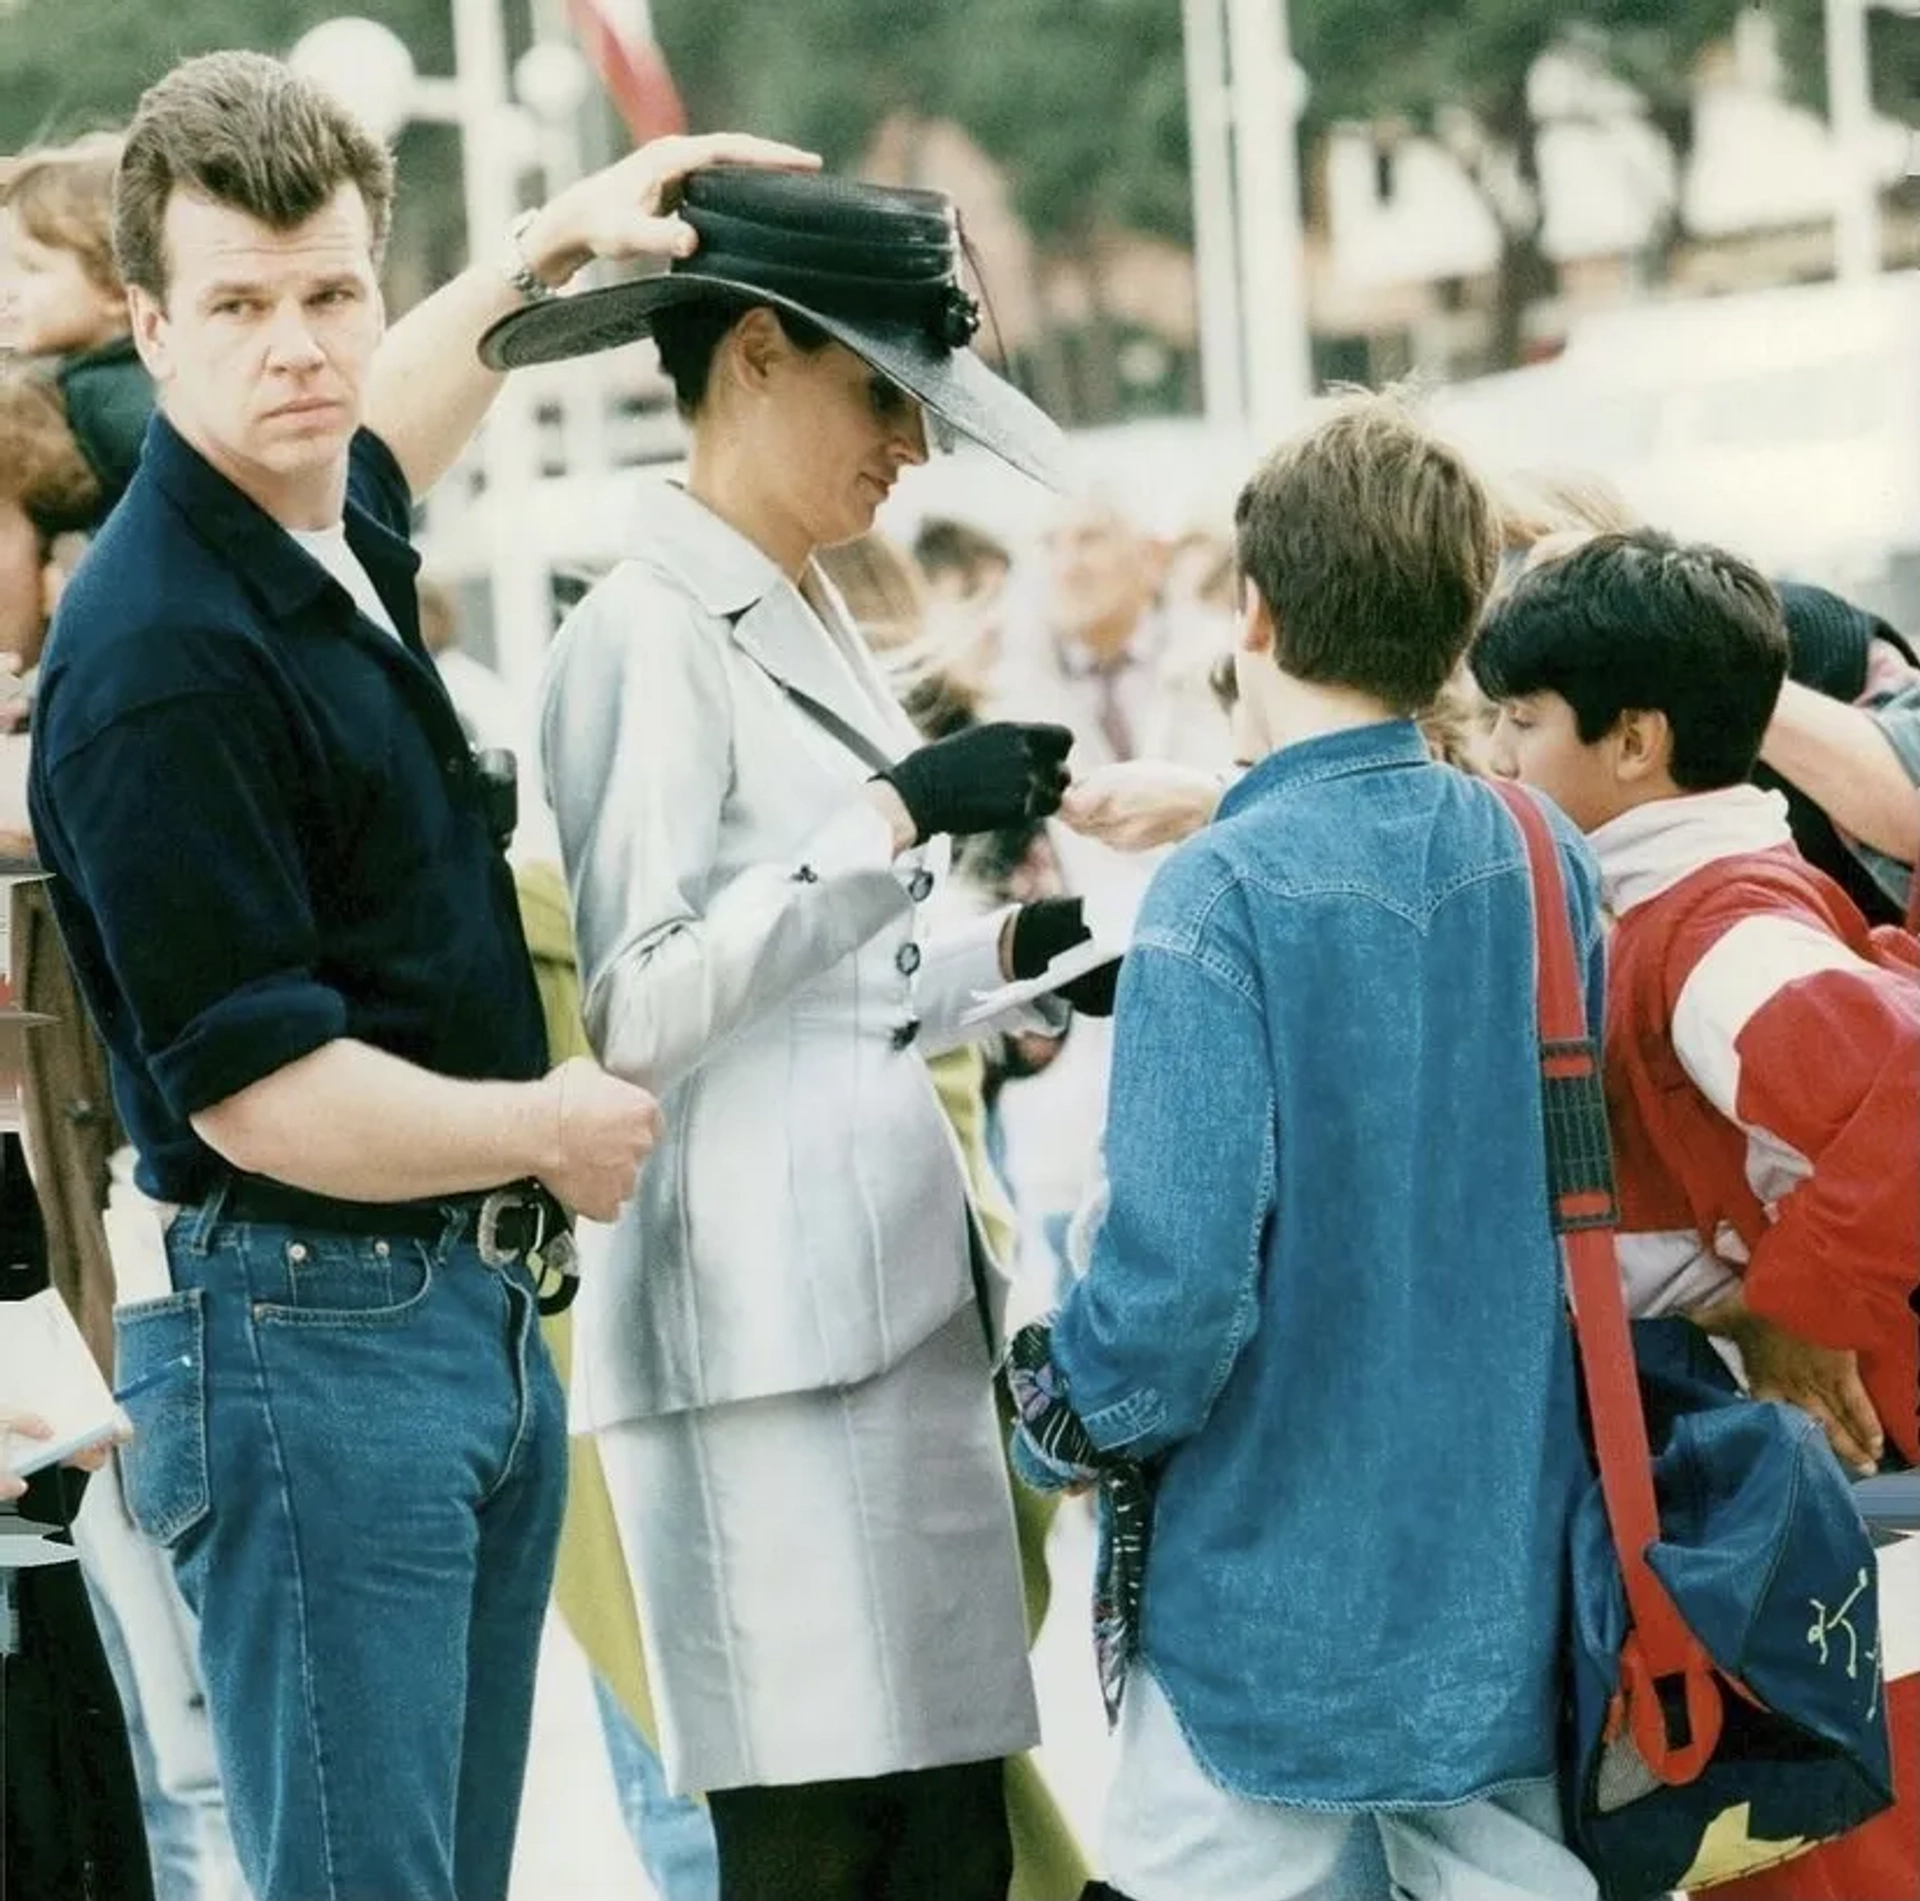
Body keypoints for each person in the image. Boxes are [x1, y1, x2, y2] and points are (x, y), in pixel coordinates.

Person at [26, 49, 814, 1901]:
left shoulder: (305, 501)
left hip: (435, 1316)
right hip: (304, 1335)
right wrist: (543, 1121)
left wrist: (557, 238)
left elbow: (395, 416)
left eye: (331, 293)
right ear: (145, 322)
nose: (298, 346)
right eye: (237, 305)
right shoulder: (157, 656)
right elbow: (252, 1086)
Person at [480, 165, 1098, 1900]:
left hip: (882, 1317)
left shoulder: (801, 603)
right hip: (758, 1354)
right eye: (883, 393)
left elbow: (839, 992)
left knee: (949, 1846)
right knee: (822, 1857)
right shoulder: (644, 631)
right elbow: (642, 1003)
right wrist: (890, 821)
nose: (913, 446)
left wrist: (1029, 953)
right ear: (755, 354)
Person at [1009, 393, 1602, 1901]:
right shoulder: (1547, 859)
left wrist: (1061, 1405)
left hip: (1264, 1616)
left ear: (1254, 609)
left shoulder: (1222, 895)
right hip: (1499, 1589)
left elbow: (1178, 1285)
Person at [1472, 528, 1919, 1901]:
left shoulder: (1709, 936)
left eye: (1521, 720)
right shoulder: (1666, 907)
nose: (1494, 753)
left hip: (1831, 1518)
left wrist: (1798, 1313)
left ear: (1635, 741)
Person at [0, 133, 155, 506]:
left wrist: (85, 548)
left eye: (31, 268)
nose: (7, 289)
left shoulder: (112, 399)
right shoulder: (103, 375)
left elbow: (184, 505)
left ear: (117, 289)